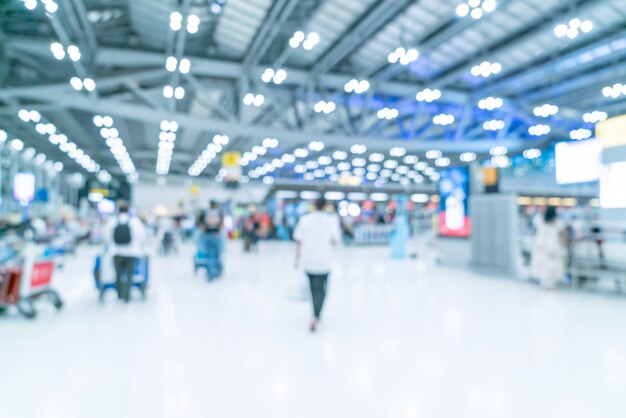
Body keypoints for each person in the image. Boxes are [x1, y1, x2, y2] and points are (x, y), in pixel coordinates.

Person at [293, 198, 342, 332]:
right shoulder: (331, 220)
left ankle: (314, 314)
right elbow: (336, 240)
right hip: (324, 260)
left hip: (308, 260)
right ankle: (316, 315)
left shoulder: (305, 220)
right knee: (322, 289)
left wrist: (296, 260)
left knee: (313, 288)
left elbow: (298, 240)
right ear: (326, 206)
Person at [106, 203, 146, 302]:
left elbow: (106, 236)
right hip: (132, 252)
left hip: (116, 252)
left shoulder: (112, 221)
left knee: (118, 274)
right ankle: (127, 295)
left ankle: (120, 295)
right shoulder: (135, 221)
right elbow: (141, 236)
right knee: (129, 274)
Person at [530, 206, 565, 289]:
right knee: (551, 265)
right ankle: (549, 284)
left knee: (544, 264)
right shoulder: (556, 222)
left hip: (542, 245)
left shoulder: (539, 220)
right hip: (551, 246)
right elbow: (562, 232)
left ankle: (546, 284)